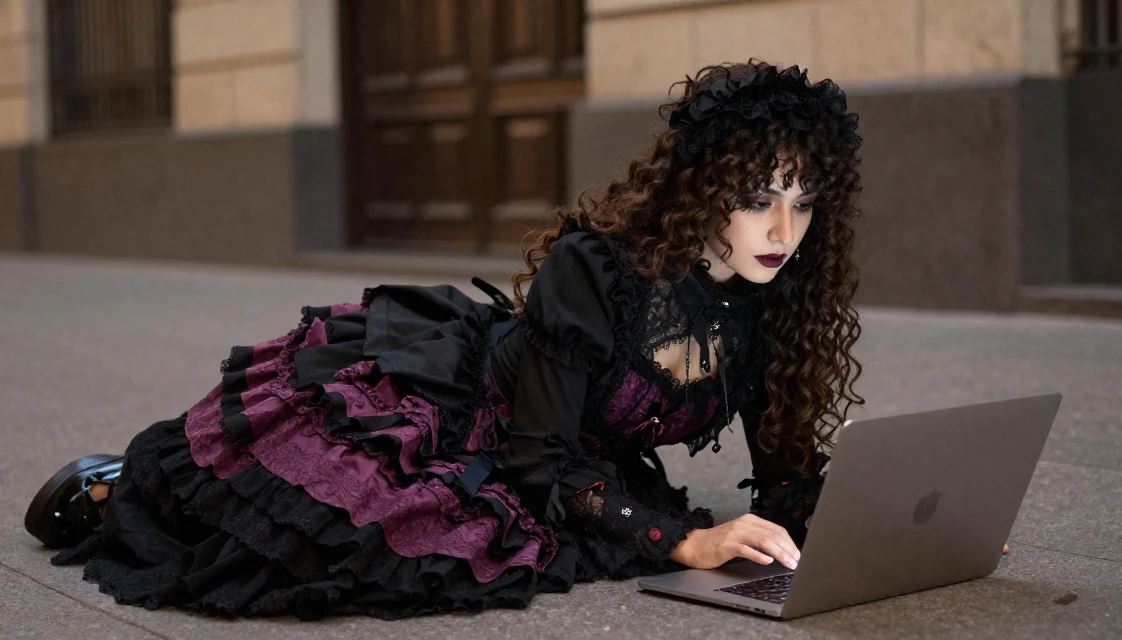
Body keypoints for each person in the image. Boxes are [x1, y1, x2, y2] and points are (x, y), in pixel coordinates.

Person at [24, 59, 870, 620]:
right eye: (760, 197)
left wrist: (885, 529)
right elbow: (542, 462)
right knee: (324, 541)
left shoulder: (773, 296)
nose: (783, 228)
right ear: (706, 188)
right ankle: (118, 485)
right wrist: (682, 541)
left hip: (570, 453)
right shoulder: (598, 268)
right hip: (470, 415)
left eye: (804, 201)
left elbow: (786, 476)